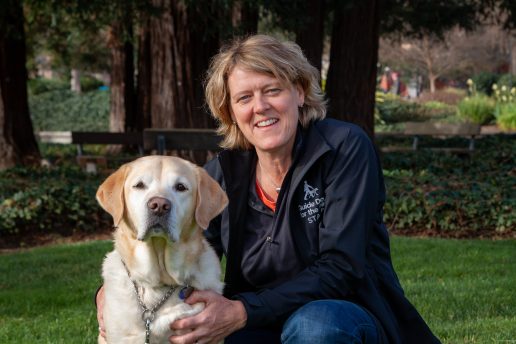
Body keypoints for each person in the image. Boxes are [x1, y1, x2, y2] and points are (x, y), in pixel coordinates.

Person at [98, 34, 441, 344]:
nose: (259, 107)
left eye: (272, 90)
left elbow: (341, 268)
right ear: (231, 112)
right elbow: (189, 253)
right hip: (259, 323)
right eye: (244, 97)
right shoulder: (221, 175)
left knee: (315, 327)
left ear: (300, 91)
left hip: (345, 317)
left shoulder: (344, 148)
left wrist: (242, 311)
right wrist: (113, 291)